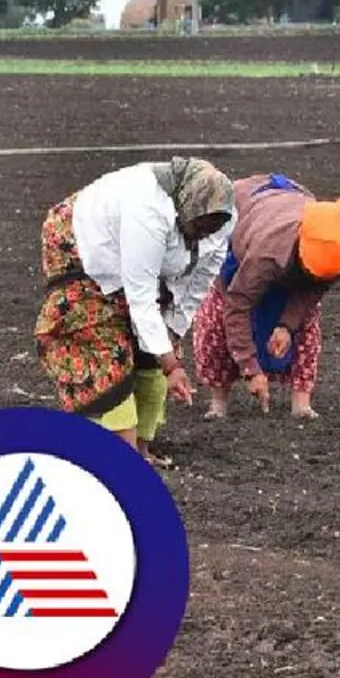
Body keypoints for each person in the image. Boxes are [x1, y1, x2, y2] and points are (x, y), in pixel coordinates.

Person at [34, 157, 236, 466]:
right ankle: (123, 459)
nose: (203, 235)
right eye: (198, 226)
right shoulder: (147, 211)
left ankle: (141, 449)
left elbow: (198, 284)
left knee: (149, 356)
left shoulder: (221, 216)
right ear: (185, 206)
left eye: (212, 229)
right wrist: (171, 365)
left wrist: (170, 337)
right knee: (104, 345)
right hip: (79, 245)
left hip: (144, 262)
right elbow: (141, 297)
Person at [193, 173, 340, 418]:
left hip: (281, 217)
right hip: (243, 224)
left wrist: (286, 326)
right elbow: (237, 305)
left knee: (307, 324)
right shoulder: (265, 255)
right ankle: (218, 402)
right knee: (216, 317)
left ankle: (302, 404)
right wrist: (250, 369)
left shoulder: (338, 246)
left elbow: (312, 291)